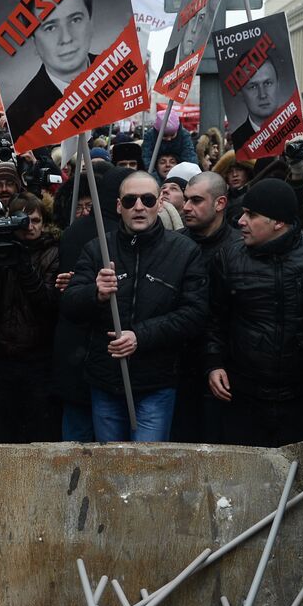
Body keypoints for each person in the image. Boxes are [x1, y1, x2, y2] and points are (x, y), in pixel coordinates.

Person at [62, 171, 208, 442]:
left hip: (156, 383)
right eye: (130, 200)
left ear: (160, 204)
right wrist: (96, 294)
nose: (139, 207)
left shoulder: (185, 251)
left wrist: (140, 336)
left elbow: (194, 314)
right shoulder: (98, 249)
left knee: (147, 469)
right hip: (105, 381)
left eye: (148, 199)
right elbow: (70, 305)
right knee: (110, 466)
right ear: (119, 206)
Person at [206, 177, 303, 446]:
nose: (240, 221)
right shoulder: (229, 259)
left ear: (278, 222)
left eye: (251, 215)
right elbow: (215, 319)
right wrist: (214, 364)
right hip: (245, 397)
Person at [0, 192, 61, 443]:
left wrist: (24, 266)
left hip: (37, 358)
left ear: (44, 222)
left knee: (37, 430)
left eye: (35, 220)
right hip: (0, 356)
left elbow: (47, 302)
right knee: (2, 430)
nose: (30, 227)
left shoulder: (53, 253)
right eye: (22, 220)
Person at [171, 171, 240, 443]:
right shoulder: (173, 243)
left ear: (220, 203)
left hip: (224, 370)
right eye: (185, 199)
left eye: (196, 200)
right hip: (177, 366)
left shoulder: (239, 248)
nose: (186, 207)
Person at [6, 0, 96, 142]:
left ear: (91, 22)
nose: (66, 38)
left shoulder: (120, 72)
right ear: (34, 40)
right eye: (50, 27)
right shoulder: (20, 117)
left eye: (75, 19)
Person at [231, 58, 281, 151]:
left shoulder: (297, 136)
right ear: (241, 93)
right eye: (253, 87)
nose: (262, 95)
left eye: (268, 83)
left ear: (278, 85)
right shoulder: (236, 142)